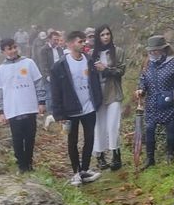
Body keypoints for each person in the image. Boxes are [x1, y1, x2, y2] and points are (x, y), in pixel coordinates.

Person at [50, 30, 103, 186]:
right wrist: (59, 113)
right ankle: (76, 172)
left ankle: (84, 169)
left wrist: (97, 100)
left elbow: (95, 82)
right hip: (70, 109)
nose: (84, 44)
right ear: (71, 44)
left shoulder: (89, 60)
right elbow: (55, 91)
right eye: (80, 41)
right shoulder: (59, 66)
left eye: (84, 41)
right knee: (72, 140)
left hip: (89, 107)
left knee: (89, 138)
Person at [135, 35, 174, 170]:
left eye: (156, 50)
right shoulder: (147, 63)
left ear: (163, 49)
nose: (153, 53)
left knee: (170, 128)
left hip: (168, 101)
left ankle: (170, 154)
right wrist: (141, 89)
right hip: (152, 102)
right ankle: (150, 159)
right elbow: (143, 79)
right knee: (149, 128)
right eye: (151, 50)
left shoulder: (173, 61)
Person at [0, 38, 46, 173]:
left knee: (30, 137)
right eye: (9, 49)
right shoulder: (0, 70)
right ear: (3, 51)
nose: (13, 51)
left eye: (14, 47)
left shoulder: (29, 63)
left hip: (29, 106)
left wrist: (41, 102)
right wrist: (1, 111)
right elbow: (0, 92)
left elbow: (38, 83)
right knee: (17, 138)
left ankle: (29, 163)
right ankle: (21, 165)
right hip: (13, 109)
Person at [91, 25, 127, 171]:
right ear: (98, 37)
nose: (106, 37)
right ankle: (100, 155)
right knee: (99, 125)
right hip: (97, 93)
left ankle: (116, 154)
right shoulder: (92, 54)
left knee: (113, 125)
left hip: (113, 91)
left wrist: (106, 70)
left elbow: (121, 70)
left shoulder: (118, 51)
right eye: (102, 35)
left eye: (108, 34)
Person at [39, 31, 64, 126]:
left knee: (60, 95)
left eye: (58, 40)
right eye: (54, 40)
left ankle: (59, 114)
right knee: (50, 96)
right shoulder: (44, 50)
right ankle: (50, 115)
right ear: (49, 39)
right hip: (49, 76)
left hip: (59, 75)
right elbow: (43, 64)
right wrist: (47, 76)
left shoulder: (60, 49)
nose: (56, 42)